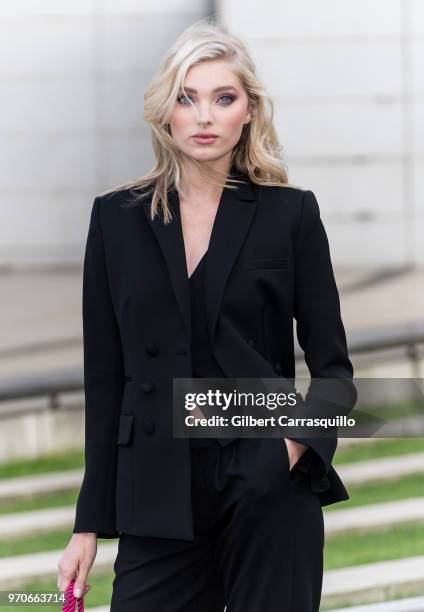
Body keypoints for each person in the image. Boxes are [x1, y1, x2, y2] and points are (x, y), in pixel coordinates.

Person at [57, 17, 357, 611]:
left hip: (267, 483)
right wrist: (88, 524)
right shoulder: (115, 220)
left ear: (248, 111)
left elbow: (336, 376)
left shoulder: (290, 215)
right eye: (187, 98)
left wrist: (289, 451)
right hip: (156, 491)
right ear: (165, 110)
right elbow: (105, 381)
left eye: (224, 98)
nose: (203, 116)